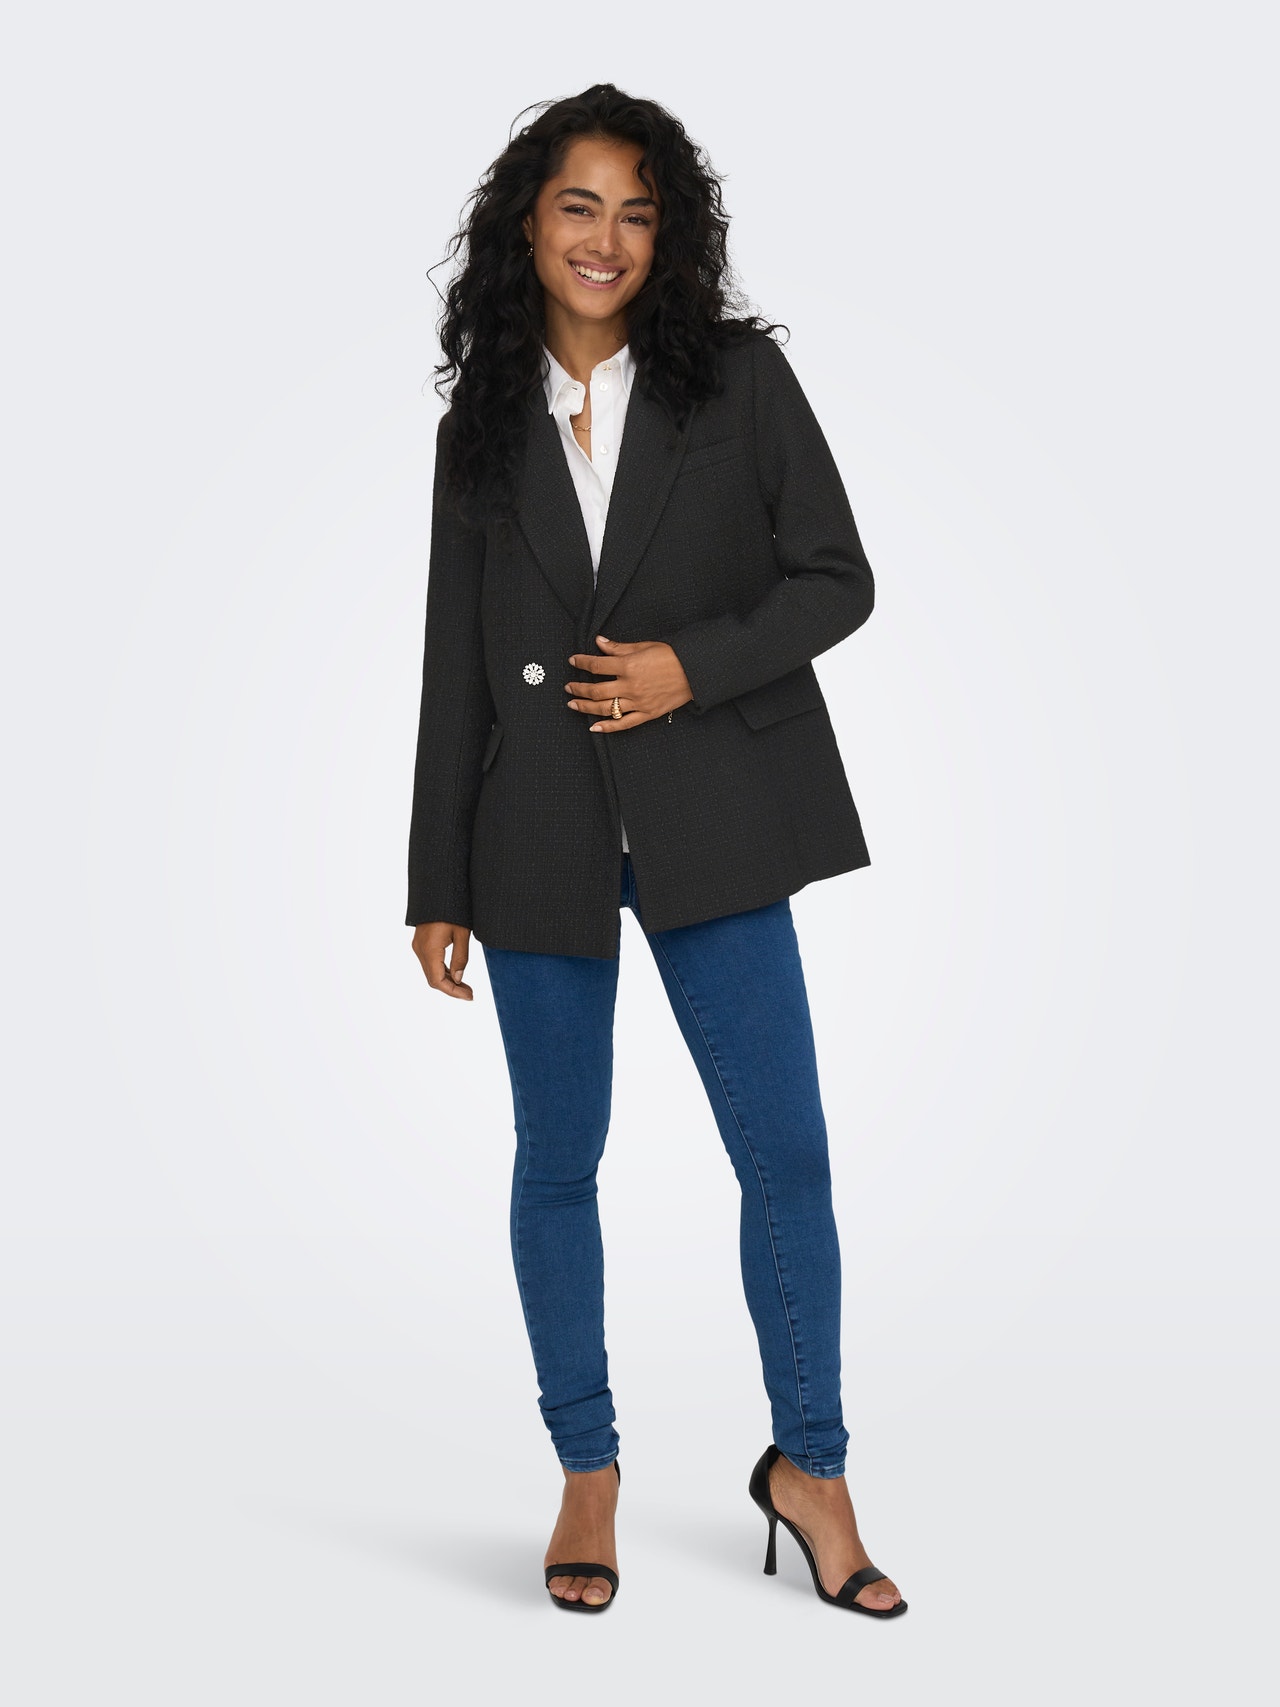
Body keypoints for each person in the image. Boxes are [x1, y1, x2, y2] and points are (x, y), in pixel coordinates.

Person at [406, 82, 907, 1619]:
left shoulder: (738, 382)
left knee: (787, 1157)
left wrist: (693, 664)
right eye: (580, 206)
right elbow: (451, 665)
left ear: (666, 235)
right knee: (559, 1163)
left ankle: (811, 1468)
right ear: (528, 225)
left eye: (638, 212)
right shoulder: (481, 422)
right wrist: (434, 880)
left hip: (720, 822)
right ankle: (588, 1468)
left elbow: (837, 578)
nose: (607, 239)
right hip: (535, 834)